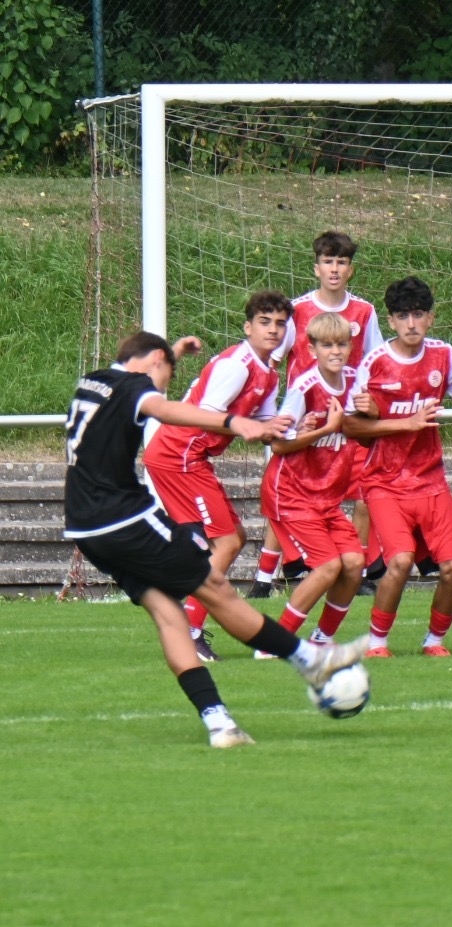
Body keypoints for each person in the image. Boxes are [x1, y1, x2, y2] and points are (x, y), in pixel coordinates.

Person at [64, 331, 367, 747]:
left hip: (85, 527)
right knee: (215, 587)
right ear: (154, 361)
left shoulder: (94, 381)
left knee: (168, 614)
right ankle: (309, 658)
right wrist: (233, 421)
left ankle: (218, 721)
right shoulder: (136, 389)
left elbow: (146, 370)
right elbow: (165, 409)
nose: (166, 383)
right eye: (168, 373)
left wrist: (172, 353)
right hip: (125, 519)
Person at [142, 292, 293, 661]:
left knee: (232, 539)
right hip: (179, 455)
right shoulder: (237, 365)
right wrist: (246, 427)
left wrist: (299, 428)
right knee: (225, 543)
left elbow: (265, 424)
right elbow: (208, 414)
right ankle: (189, 630)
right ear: (247, 327)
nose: (273, 330)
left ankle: (185, 613)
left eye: (279, 323)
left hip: (190, 457)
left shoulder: (268, 373)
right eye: (264, 322)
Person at [252, 230, 383, 598]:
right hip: (305, 422)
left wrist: (369, 408)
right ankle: (264, 578)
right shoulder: (296, 311)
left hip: (348, 422)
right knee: (289, 492)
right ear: (317, 268)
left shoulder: (364, 312)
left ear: (351, 269)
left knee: (363, 494)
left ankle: (356, 571)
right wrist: (272, 415)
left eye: (341, 262)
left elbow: (375, 364)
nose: (335, 269)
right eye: (328, 261)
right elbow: (273, 360)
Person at [345, 276, 452, 657]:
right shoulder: (375, 364)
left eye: (418, 314)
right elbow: (352, 427)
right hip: (384, 482)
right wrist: (401, 422)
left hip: (431, 481)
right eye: (402, 316)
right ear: (391, 320)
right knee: (399, 562)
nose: (411, 324)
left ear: (431, 317)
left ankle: (434, 641)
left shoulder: (444, 356)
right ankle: (377, 642)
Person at [256, 312, 365, 652]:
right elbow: (278, 445)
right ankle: (273, 644)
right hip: (292, 493)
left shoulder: (356, 381)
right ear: (312, 349)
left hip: (327, 498)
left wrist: (373, 411)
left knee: (354, 564)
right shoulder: (303, 389)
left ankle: (321, 641)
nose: (336, 351)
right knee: (328, 566)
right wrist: (325, 429)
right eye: (327, 345)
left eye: (342, 344)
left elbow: (370, 417)